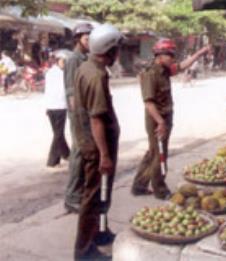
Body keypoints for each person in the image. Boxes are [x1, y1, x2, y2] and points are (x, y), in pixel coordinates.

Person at [131, 39, 211, 199]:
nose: (172, 58)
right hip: (156, 119)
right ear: (159, 55)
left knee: (153, 152)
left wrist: (199, 53)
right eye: (170, 55)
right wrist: (160, 123)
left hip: (165, 116)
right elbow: (149, 103)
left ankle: (139, 185)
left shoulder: (164, 69)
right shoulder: (150, 73)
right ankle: (160, 189)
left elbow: (182, 66)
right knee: (160, 154)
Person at [73, 24, 123, 260]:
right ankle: (84, 250)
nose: (118, 54)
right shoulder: (96, 75)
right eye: (117, 49)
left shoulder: (87, 66)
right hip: (96, 148)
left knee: (101, 194)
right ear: (109, 50)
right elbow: (96, 120)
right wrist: (104, 155)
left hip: (91, 144)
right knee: (93, 197)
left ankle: (100, 232)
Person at [64, 23, 93, 213]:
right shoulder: (74, 59)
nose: (89, 40)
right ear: (78, 39)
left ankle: (80, 192)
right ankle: (72, 197)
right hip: (78, 114)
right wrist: (77, 117)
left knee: (85, 153)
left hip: (86, 111)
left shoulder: (85, 58)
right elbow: (71, 91)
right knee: (77, 153)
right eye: (86, 38)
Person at [44, 50, 71, 168]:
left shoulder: (50, 72)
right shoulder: (59, 74)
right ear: (58, 61)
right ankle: (52, 160)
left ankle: (65, 154)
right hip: (58, 106)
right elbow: (62, 91)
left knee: (57, 133)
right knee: (58, 134)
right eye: (63, 61)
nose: (64, 63)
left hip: (52, 106)